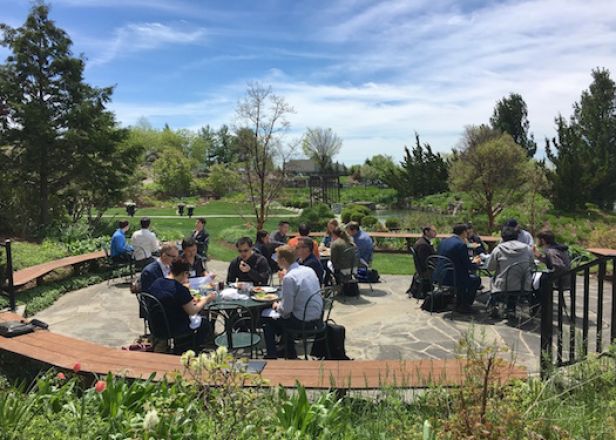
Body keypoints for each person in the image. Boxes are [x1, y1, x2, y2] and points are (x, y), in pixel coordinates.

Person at [261, 245, 323, 359]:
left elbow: (286, 310)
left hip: (302, 321)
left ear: (283, 260)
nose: (276, 261)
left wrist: (276, 306)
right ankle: (287, 349)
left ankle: (272, 354)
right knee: (284, 317)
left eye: (277, 258)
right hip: (317, 317)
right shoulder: (308, 270)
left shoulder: (289, 278)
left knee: (267, 319)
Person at [147, 258, 216, 350]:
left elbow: (169, 300)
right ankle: (190, 349)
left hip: (156, 325)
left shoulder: (157, 282)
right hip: (174, 327)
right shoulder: (180, 290)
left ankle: (180, 345)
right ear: (185, 273)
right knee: (204, 324)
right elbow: (192, 311)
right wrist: (206, 299)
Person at [486, 225, 534, 315]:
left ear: (502, 237)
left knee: (495, 279)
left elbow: (490, 268)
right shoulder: (527, 248)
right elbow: (532, 264)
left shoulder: (498, 249)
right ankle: (510, 309)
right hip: (524, 285)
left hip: (503, 286)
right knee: (515, 280)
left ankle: (494, 306)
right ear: (517, 236)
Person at [436, 223, 481, 313]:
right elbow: (468, 265)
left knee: (464, 275)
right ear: (464, 232)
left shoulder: (443, 241)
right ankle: (464, 305)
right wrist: (475, 263)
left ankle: (459, 302)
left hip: (440, 275)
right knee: (476, 280)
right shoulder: (460, 245)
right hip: (453, 278)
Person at [408, 225, 437, 296]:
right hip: (426, 272)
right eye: (433, 231)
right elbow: (425, 262)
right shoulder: (423, 245)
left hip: (425, 270)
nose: (435, 233)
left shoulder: (424, 242)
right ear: (426, 232)